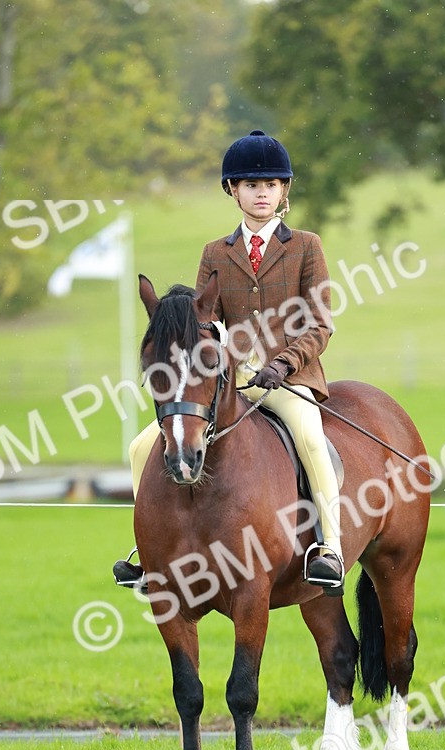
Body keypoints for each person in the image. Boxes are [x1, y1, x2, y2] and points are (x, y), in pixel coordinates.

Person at [114, 129, 344, 592]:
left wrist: (282, 365)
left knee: (311, 438)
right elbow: (204, 320)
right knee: (142, 447)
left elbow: (320, 324)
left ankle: (330, 547)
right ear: (232, 191)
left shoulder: (306, 246)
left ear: (284, 192)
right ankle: (147, 551)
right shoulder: (215, 253)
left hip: (289, 381)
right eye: (251, 185)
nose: (262, 193)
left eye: (272, 185)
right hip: (232, 385)